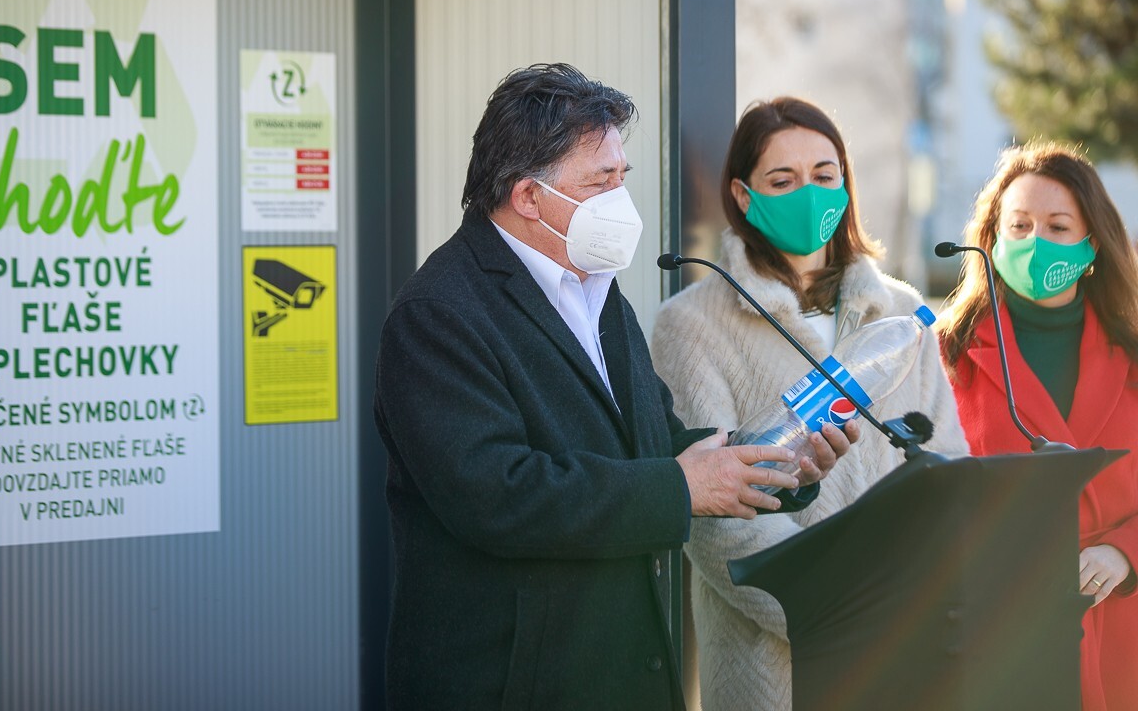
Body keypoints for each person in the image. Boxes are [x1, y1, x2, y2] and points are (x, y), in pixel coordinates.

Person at [373, 65, 856, 710]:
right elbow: (496, 495)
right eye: (600, 183)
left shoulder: (596, 289)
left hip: (624, 672)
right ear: (527, 196)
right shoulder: (438, 312)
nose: (619, 201)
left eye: (621, 178)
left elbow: (655, 439)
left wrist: (775, 457)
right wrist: (682, 486)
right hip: (508, 684)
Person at [651, 96, 968, 711]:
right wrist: (837, 612)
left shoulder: (903, 315)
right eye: (783, 180)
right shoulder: (689, 327)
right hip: (774, 669)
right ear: (744, 197)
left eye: (825, 176)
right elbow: (710, 518)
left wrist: (915, 603)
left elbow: (947, 467)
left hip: (904, 650)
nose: (810, 194)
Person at [936, 141, 1138, 711]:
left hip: (1120, 636)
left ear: (1091, 243)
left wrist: (1125, 552)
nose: (1035, 242)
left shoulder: (1134, 356)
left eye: (1057, 226)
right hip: (992, 635)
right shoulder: (945, 356)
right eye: (1019, 226)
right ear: (992, 238)